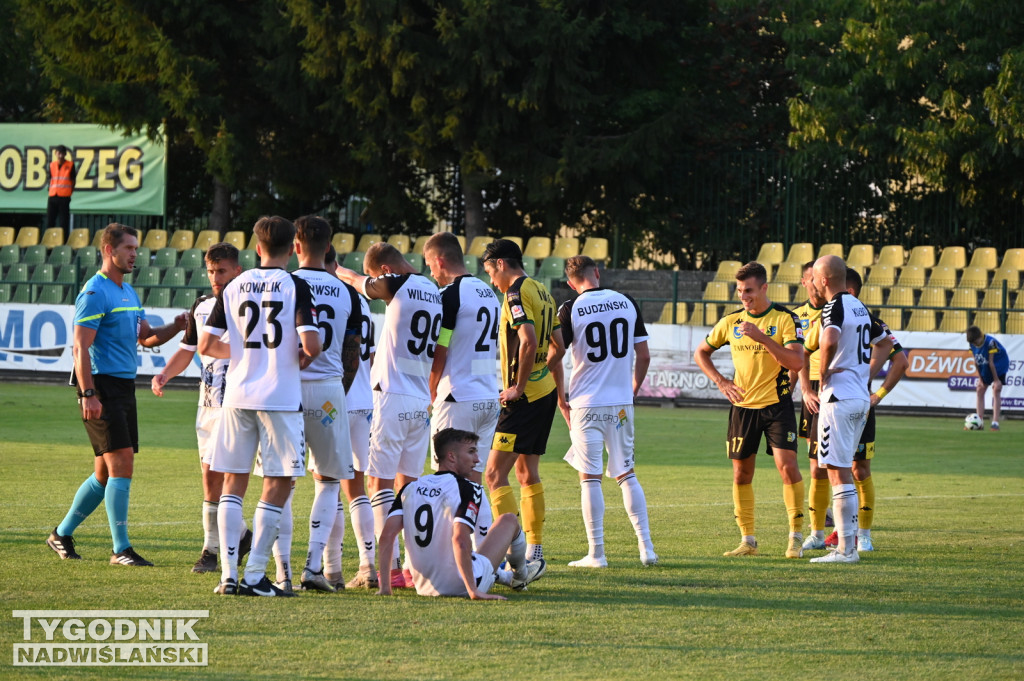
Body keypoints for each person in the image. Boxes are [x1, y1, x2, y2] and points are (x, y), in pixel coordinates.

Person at [47, 223, 187, 567]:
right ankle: (120, 549)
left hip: (124, 387)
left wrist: (178, 326)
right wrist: (88, 393)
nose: (134, 255)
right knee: (122, 462)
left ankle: (61, 534)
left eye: (136, 249)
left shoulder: (127, 291)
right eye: (129, 249)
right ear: (109, 251)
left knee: (104, 473)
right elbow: (80, 347)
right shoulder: (95, 292)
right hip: (102, 387)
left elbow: (146, 337)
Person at [200, 215, 322, 596]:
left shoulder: (234, 285)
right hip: (279, 397)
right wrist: (290, 361)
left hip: (236, 395)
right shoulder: (294, 284)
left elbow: (205, 346)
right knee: (279, 481)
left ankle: (228, 577)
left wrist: (242, 358)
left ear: (256, 248)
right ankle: (255, 575)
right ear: (293, 248)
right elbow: (313, 346)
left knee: (233, 484)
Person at [334, 241, 442, 588]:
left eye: (375, 277)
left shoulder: (397, 282)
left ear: (384, 271)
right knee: (407, 486)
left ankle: (390, 569)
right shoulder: (433, 290)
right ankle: (413, 568)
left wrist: (336, 269)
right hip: (419, 400)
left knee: (377, 482)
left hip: (392, 396)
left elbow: (358, 283)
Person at [150, 242, 252, 573]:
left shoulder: (250, 303)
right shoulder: (203, 305)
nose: (215, 277)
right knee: (209, 479)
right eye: (211, 271)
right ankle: (236, 538)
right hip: (207, 403)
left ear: (237, 269)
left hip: (238, 403)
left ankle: (213, 551)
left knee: (229, 478)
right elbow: (187, 349)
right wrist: (165, 372)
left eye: (221, 270)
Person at [693, 261, 806, 559]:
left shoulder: (785, 319)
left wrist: (761, 337)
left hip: (776, 405)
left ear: (764, 288)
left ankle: (795, 537)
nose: (744, 297)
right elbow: (701, 352)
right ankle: (748, 541)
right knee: (741, 474)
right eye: (740, 291)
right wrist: (721, 381)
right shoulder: (731, 322)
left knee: (787, 468)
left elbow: (796, 363)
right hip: (742, 407)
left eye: (750, 291)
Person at [556, 255, 657, 567]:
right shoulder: (626, 301)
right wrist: (633, 389)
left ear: (571, 283)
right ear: (596, 273)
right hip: (621, 405)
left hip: (586, 404)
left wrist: (561, 399)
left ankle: (596, 553)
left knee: (590, 478)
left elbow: (555, 355)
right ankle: (647, 550)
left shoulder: (569, 308)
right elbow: (644, 356)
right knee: (626, 473)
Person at [376, 428, 545, 598]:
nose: (477, 459)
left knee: (468, 554)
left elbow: (386, 537)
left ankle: (506, 577)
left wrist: (385, 588)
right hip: (463, 585)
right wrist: (473, 591)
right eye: (471, 452)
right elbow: (460, 539)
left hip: (424, 587)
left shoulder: (409, 488)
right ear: (451, 456)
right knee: (509, 520)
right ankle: (520, 576)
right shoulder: (468, 487)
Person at [808, 268, 906, 553]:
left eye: (814, 277)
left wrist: (826, 372)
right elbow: (887, 347)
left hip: (842, 397)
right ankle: (834, 536)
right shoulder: (863, 313)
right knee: (838, 469)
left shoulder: (840, 308)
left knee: (845, 470)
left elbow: (899, 360)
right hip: (857, 398)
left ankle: (853, 542)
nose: (811, 282)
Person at [481, 239, 565, 563]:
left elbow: (528, 340)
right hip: (544, 392)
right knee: (527, 474)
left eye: (490, 271)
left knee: (493, 474)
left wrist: (518, 386)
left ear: (501, 263)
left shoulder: (514, 292)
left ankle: (509, 554)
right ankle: (535, 551)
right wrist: (542, 373)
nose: (492, 280)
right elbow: (559, 345)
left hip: (525, 397)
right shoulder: (543, 291)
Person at [423, 232, 501, 486]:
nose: (431, 272)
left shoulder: (450, 295)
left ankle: (454, 528)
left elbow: (440, 349)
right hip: (488, 396)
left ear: (440, 260)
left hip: (458, 398)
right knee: (474, 484)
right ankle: (478, 527)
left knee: (448, 481)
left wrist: (430, 391)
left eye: (430, 264)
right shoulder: (488, 292)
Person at [966, 325, 1009, 431]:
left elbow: (991, 363)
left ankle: (995, 423)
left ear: (980, 336)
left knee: (996, 389)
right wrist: (980, 379)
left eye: (976, 342)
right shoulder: (972, 343)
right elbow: (976, 362)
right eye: (973, 343)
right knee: (980, 389)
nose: (975, 344)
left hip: (999, 365)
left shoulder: (990, 343)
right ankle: (978, 422)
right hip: (984, 365)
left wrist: (996, 380)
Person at [46, 145, 75, 238]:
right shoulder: (52, 165)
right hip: (53, 195)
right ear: (55, 153)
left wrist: (70, 192)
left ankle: (63, 244)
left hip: (64, 196)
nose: (60, 155)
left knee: (63, 222)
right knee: (50, 221)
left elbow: (73, 180)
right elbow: (50, 179)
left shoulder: (70, 165)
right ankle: (49, 245)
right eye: (58, 153)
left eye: (62, 153)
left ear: (65, 154)